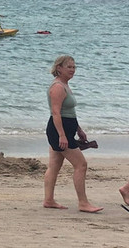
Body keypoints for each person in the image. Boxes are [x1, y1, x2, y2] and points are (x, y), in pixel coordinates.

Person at [43, 55, 102, 213]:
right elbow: (56, 113)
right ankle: (83, 203)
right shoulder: (57, 87)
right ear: (59, 68)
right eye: (69, 67)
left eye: (74, 67)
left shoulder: (65, 85)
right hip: (59, 130)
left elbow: (69, 111)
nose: (72, 70)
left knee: (54, 165)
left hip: (66, 128)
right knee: (81, 165)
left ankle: (48, 200)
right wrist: (62, 135)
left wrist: (78, 129)